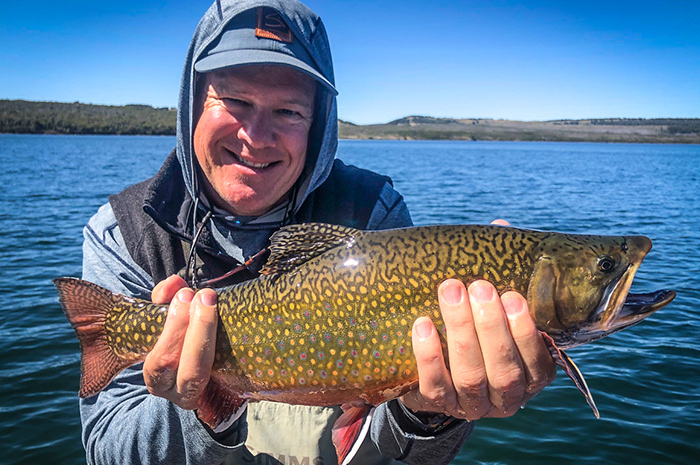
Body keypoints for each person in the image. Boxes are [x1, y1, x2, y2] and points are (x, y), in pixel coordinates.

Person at [79, 0, 556, 464]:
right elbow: (107, 447)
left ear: (319, 123)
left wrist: (429, 414)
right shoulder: (124, 232)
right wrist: (204, 407)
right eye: (235, 101)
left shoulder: (372, 213)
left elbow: (403, 451)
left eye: (288, 111)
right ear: (192, 105)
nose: (257, 134)